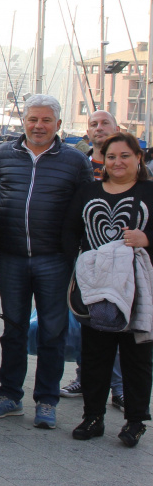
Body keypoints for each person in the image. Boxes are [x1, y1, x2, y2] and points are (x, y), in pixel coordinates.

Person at [0, 94, 93, 429]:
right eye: (33, 119)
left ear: (58, 124)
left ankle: (47, 400)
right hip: (12, 258)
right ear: (24, 122)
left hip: (55, 260)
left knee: (52, 333)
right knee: (13, 329)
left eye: (45, 120)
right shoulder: (2, 155)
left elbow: (85, 209)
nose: (38, 126)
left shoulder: (75, 161)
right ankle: (9, 396)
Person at [63, 131, 152, 447]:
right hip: (96, 287)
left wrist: (147, 239)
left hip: (137, 288)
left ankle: (135, 421)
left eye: (125, 156)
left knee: (137, 357)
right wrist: (79, 266)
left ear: (138, 158)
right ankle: (93, 417)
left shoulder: (149, 191)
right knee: (95, 355)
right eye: (111, 156)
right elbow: (70, 231)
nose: (117, 162)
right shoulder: (88, 191)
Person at [62, 112, 125, 400]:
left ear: (117, 128)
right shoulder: (79, 165)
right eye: (93, 124)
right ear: (87, 132)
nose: (99, 128)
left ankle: (119, 387)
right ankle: (84, 378)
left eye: (105, 123)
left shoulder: (130, 167)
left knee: (118, 322)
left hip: (122, 259)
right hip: (86, 257)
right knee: (87, 322)